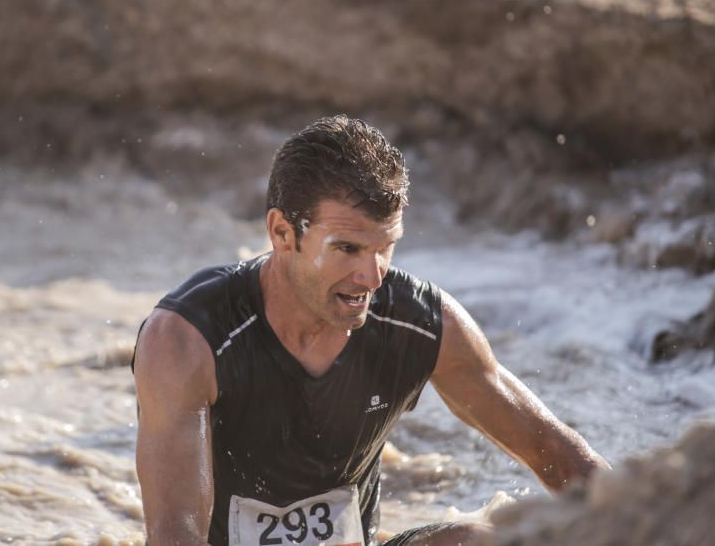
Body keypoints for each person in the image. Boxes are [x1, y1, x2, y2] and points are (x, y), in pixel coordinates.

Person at [131, 115, 609, 546]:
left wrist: (649, 523)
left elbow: (553, 451)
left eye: (386, 248)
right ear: (282, 233)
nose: (372, 276)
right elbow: (176, 535)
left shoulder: (420, 322)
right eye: (347, 249)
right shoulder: (186, 340)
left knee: (480, 541)